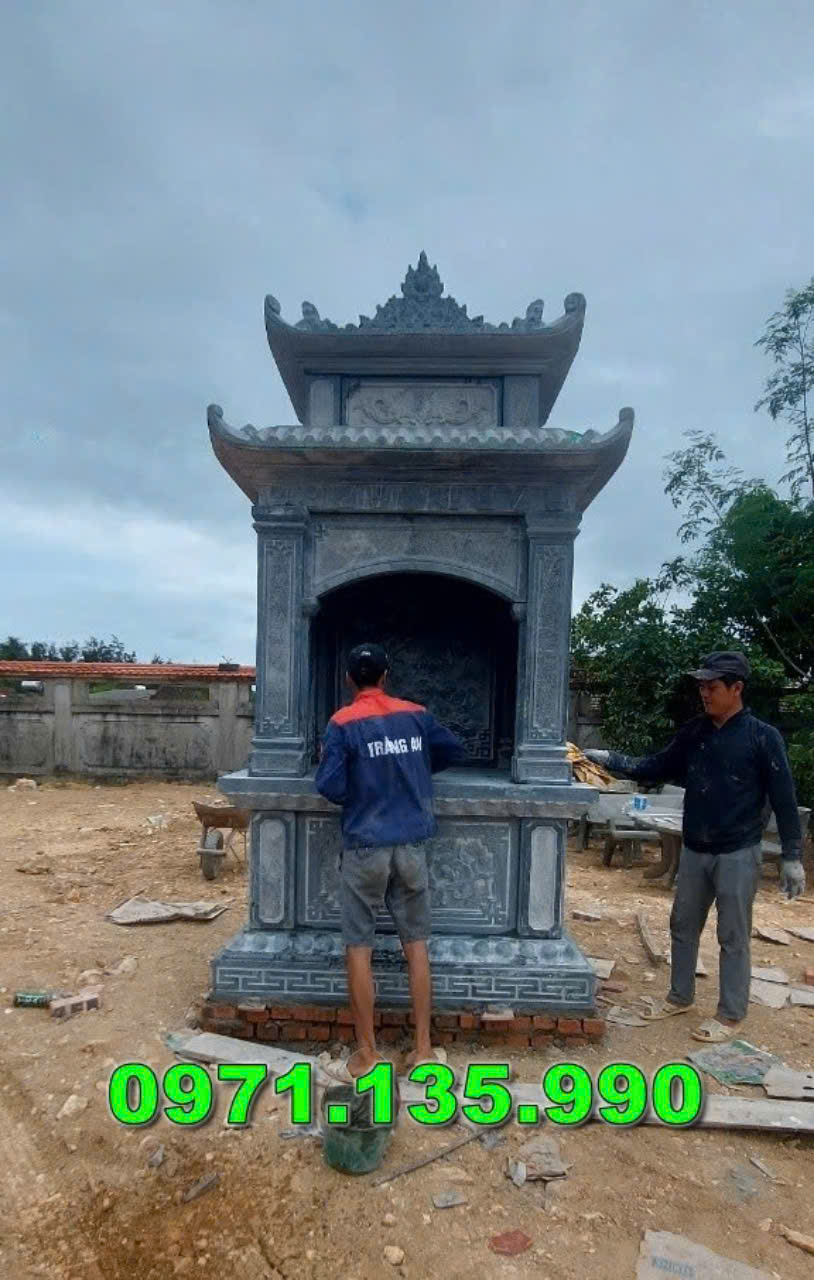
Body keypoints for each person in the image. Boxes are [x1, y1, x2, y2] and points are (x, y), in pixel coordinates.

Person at [585, 651, 805, 1044]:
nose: (704, 693)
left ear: (736, 689)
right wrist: (611, 759)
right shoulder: (696, 732)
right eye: (702, 686)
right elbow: (656, 766)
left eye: (712, 686)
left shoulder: (762, 737)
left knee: (732, 934)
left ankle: (730, 1014)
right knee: (682, 925)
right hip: (695, 848)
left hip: (738, 850)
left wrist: (792, 856)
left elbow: (785, 800)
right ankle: (679, 996)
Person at [315, 642, 464, 1078]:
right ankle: (424, 1050)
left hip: (365, 846)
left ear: (349, 679)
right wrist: (413, 768)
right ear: (385, 675)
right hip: (411, 845)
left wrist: (363, 785)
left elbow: (329, 785)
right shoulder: (415, 715)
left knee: (359, 948)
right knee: (416, 945)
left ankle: (367, 1054)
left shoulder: (342, 722)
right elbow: (453, 749)